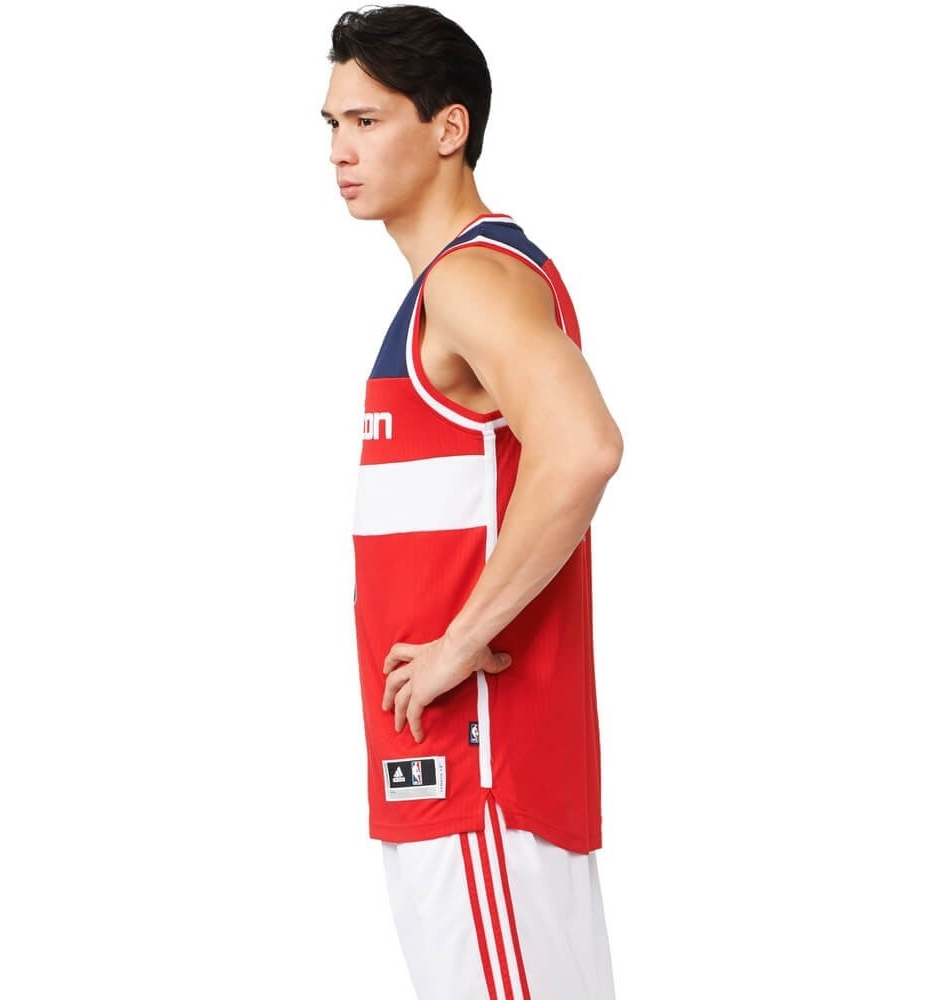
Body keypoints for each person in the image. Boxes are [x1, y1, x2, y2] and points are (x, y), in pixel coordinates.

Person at [323, 6, 623, 998]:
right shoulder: (454, 287)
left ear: (448, 127)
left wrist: (459, 643)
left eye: (367, 121)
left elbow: (583, 448)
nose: (340, 150)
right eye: (332, 125)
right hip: (462, 780)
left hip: (478, 769)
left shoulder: (471, 280)